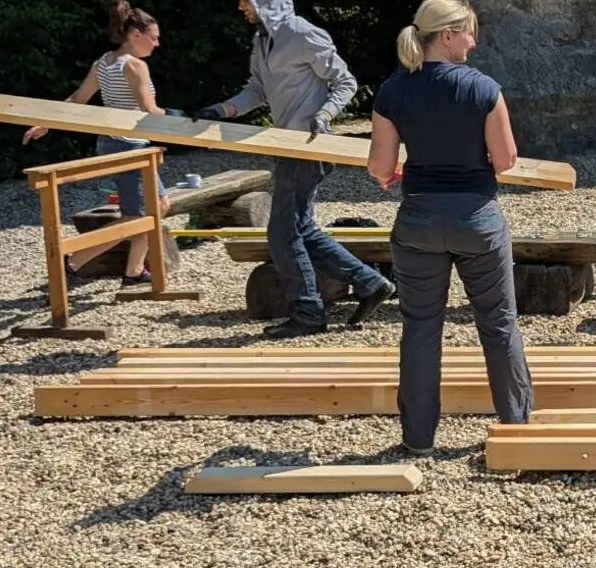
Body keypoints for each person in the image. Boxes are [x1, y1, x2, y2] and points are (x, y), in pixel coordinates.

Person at [365, 0, 533, 452]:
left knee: (420, 327)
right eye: (470, 33)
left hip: (417, 217)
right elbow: (505, 159)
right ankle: (516, 428)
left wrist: (401, 170)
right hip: (476, 217)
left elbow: (379, 167)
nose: (475, 42)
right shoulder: (483, 89)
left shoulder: (392, 91)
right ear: (447, 35)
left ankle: (418, 439)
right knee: (498, 323)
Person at [191, 0, 394, 339]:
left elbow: (345, 82)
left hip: (308, 148)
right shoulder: (262, 41)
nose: (241, 6)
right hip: (286, 147)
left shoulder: (302, 33)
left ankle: (309, 313)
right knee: (301, 229)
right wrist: (221, 110)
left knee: (282, 235)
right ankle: (370, 283)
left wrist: (326, 114)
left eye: (247, 0)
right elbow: (257, 91)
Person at [22, 0, 171, 286]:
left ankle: (134, 270)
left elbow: (78, 99)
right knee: (137, 215)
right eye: (154, 37)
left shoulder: (104, 62)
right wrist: (185, 119)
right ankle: (74, 259)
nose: (157, 44)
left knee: (160, 204)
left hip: (115, 143)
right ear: (135, 35)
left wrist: (46, 124)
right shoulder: (136, 66)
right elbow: (148, 110)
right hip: (130, 147)